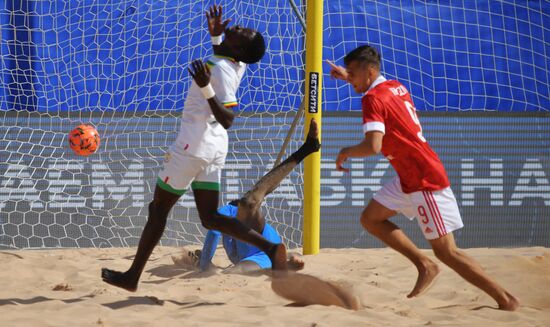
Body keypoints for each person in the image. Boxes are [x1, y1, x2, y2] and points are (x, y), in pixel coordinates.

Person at [101, 5, 302, 291]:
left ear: (240, 50)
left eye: (242, 33)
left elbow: (229, 117)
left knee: (158, 211)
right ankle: (270, 248)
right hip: (213, 146)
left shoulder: (219, 70)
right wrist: (217, 38)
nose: (239, 28)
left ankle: (132, 276)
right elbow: (225, 58)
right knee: (210, 218)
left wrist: (205, 87)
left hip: (193, 147)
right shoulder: (235, 62)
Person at [327, 45, 520, 311]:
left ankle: (506, 300)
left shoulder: (371, 99)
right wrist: (348, 75)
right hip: (410, 175)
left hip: (422, 179)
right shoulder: (395, 86)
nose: (350, 79)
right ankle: (424, 264)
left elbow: (373, 146)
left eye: (352, 73)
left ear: (369, 71)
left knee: (447, 252)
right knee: (370, 218)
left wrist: (344, 151)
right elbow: (371, 88)